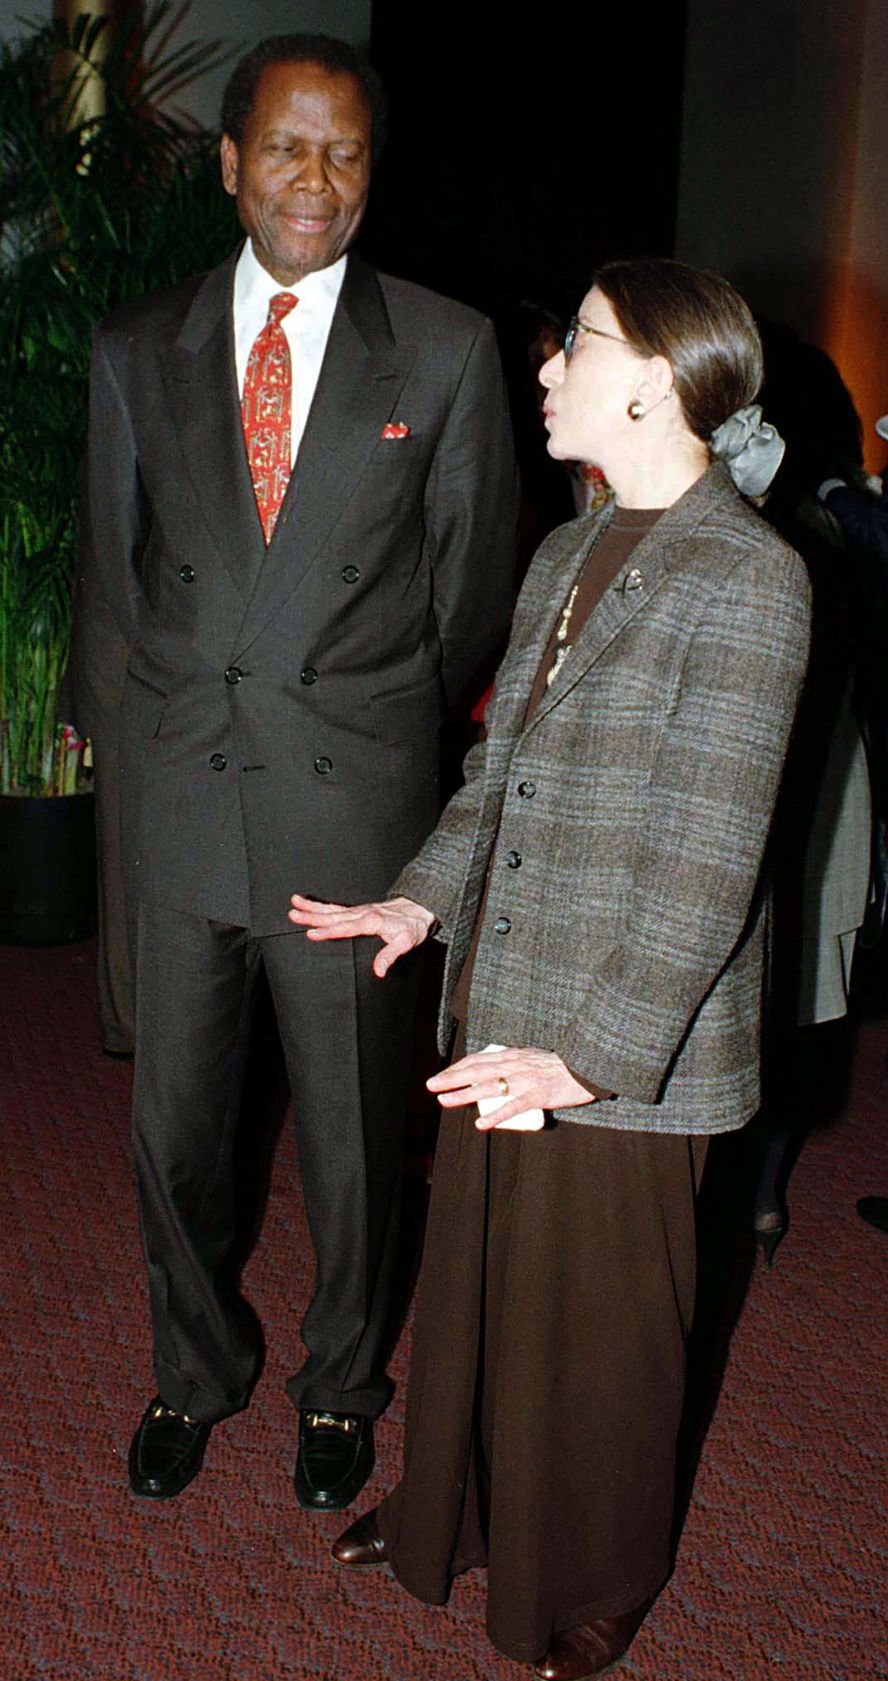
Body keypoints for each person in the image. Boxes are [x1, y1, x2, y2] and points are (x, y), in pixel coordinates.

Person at [288, 258, 811, 1677]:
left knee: (608, 1332)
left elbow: (710, 864)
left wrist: (588, 1056)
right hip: (508, 999)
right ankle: (452, 1514)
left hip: (626, 1043)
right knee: (481, 1288)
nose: (543, 366)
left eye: (571, 343)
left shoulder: (752, 580)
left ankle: (598, 1570)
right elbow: (494, 774)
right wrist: (416, 906)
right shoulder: (567, 549)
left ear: (653, 377)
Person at [80, 32, 516, 1509]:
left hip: (349, 806)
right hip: (185, 800)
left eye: (342, 152)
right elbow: (115, 582)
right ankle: (194, 1366)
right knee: (175, 1138)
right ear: (229, 165)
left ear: (371, 173)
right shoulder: (138, 346)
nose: (313, 180)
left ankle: (341, 1380)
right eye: (284, 147)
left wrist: (376, 721)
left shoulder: (449, 349)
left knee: (349, 1141)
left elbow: (471, 595)